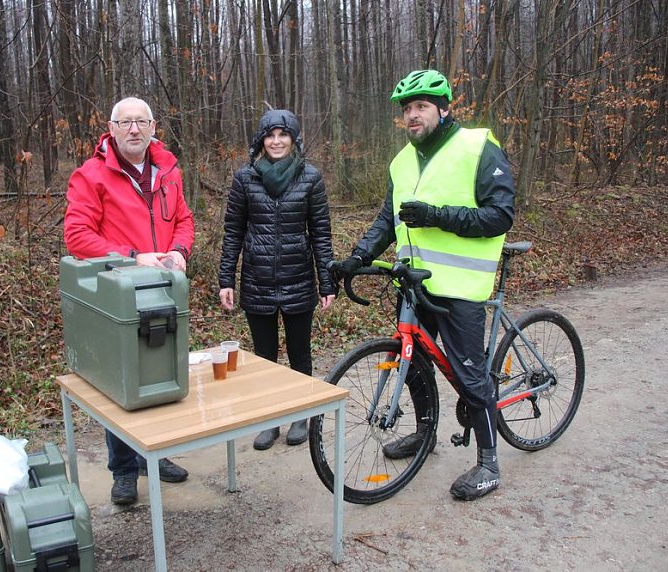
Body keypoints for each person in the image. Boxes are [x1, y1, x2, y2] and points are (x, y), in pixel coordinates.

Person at [337, 70, 515, 500]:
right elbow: (388, 219)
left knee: (472, 378)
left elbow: (501, 216)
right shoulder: (401, 161)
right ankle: (424, 433)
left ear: (443, 108)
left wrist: (437, 215)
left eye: (420, 107)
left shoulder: (476, 147)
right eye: (406, 109)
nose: (412, 116)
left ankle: (489, 463)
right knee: (412, 364)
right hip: (414, 283)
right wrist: (358, 256)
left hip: (460, 288)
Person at [64, 96, 195, 505]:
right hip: (118, 295)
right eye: (126, 123)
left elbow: (184, 220)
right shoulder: (91, 175)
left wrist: (179, 251)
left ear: (154, 126)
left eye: (141, 122)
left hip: (165, 291)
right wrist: (133, 256)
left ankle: (152, 455)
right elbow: (77, 237)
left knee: (162, 373)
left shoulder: (169, 169)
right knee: (123, 381)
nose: (134, 130)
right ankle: (123, 469)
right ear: (112, 128)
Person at [218, 109, 337, 450]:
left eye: (283, 135)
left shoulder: (310, 178)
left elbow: (321, 233)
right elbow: (233, 232)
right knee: (264, 355)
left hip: (298, 277)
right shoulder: (245, 179)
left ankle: (301, 414)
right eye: (270, 135)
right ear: (261, 140)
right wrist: (227, 278)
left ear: (293, 139)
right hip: (258, 279)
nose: (276, 141)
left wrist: (325, 280)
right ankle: (269, 419)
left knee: (300, 354)